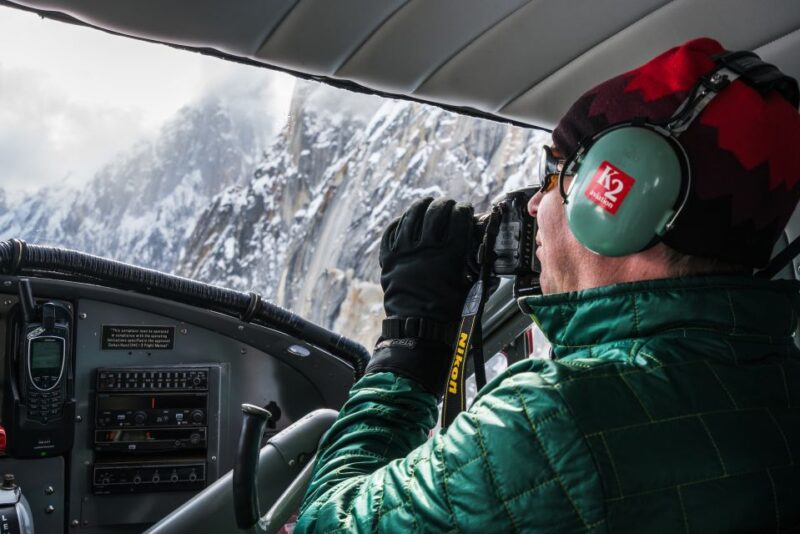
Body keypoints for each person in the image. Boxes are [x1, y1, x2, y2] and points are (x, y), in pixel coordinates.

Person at [295, 38, 800, 532]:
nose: (535, 204)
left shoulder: (547, 424)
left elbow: (325, 524)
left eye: (554, 172)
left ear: (616, 198)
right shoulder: (780, 383)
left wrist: (407, 352)